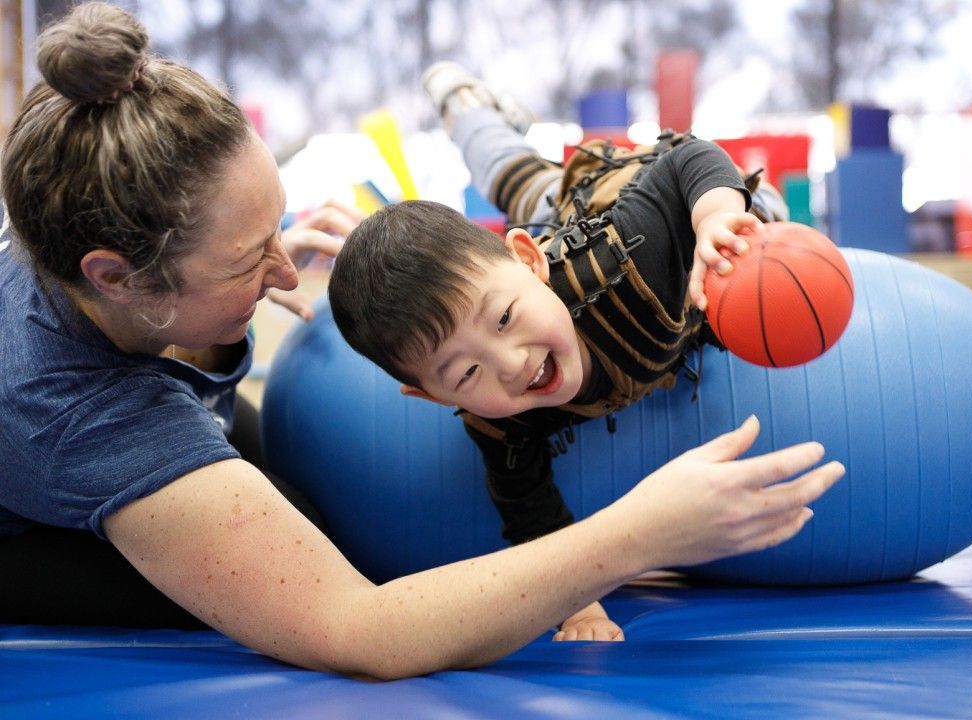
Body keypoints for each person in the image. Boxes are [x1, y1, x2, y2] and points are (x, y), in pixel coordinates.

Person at [1, 4, 843, 680]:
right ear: (114, 276)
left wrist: (220, 320)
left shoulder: (68, 235)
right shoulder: (71, 410)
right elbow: (360, 628)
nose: (288, 277)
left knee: (298, 496)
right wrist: (643, 533)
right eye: (245, 258)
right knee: (295, 551)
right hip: (32, 503)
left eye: (275, 226)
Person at [328, 65, 796, 641]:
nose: (512, 363)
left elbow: (688, 159)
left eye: (504, 320)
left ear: (529, 260)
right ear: (429, 395)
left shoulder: (630, 256)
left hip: (604, 197)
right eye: (467, 371)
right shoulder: (497, 424)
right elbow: (531, 513)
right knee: (528, 199)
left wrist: (716, 217)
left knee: (514, 175)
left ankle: (463, 101)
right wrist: (580, 606)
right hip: (549, 244)